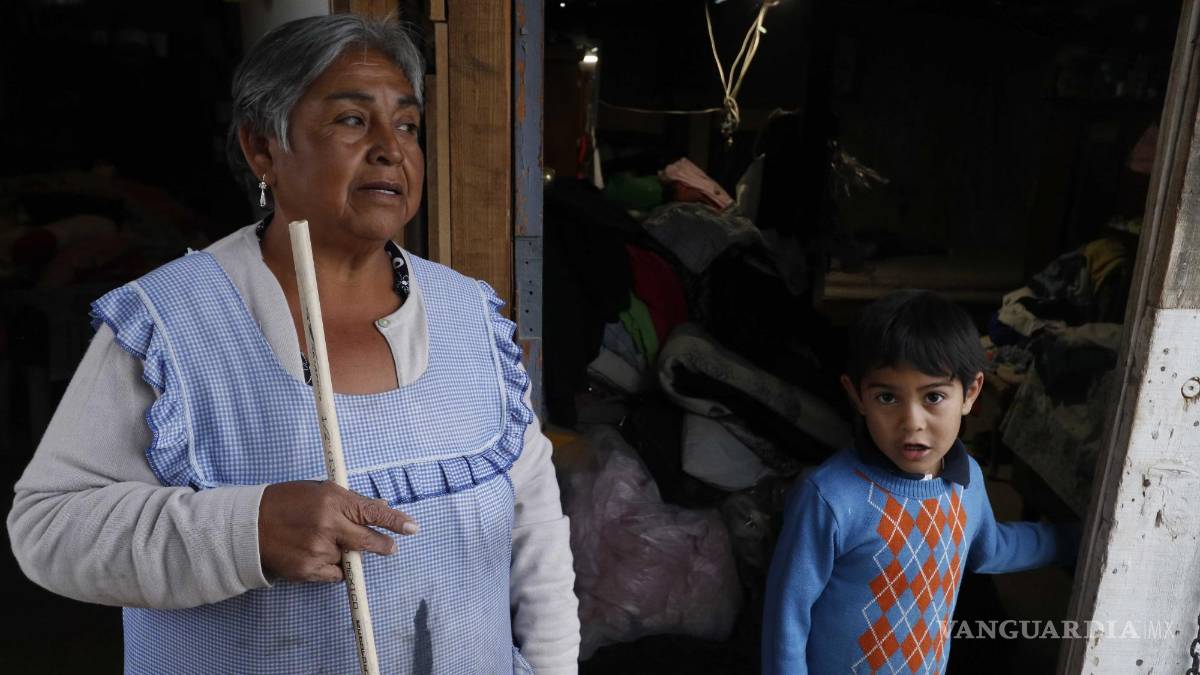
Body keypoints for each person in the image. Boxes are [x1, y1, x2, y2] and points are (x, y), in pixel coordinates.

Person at [7, 15, 579, 674]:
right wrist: (246, 529)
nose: (392, 148)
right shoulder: (173, 322)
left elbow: (536, 532)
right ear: (262, 148)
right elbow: (48, 529)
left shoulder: (467, 312)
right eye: (351, 121)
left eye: (407, 125)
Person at [762, 289, 1077, 674]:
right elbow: (786, 617)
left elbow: (990, 549)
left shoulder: (969, 482)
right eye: (887, 398)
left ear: (971, 393)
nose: (912, 421)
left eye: (933, 397)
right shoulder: (829, 498)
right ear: (857, 396)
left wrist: (1075, 540)